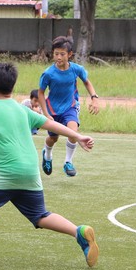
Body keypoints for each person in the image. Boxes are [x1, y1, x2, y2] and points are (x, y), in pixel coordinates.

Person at [0, 62, 99, 270]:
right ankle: (78, 232)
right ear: (12, 87)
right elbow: (50, 124)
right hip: (30, 171)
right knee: (40, 215)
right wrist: (78, 135)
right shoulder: (21, 109)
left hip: (3, 172)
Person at [38, 36, 100, 177]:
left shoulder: (76, 69)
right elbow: (41, 93)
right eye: (56, 54)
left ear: (70, 54)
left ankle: (68, 162)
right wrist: (46, 114)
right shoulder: (48, 74)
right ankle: (47, 155)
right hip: (53, 110)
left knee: (73, 131)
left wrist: (94, 98)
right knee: (53, 138)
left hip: (70, 107)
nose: (58, 57)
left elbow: (87, 82)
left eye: (62, 54)